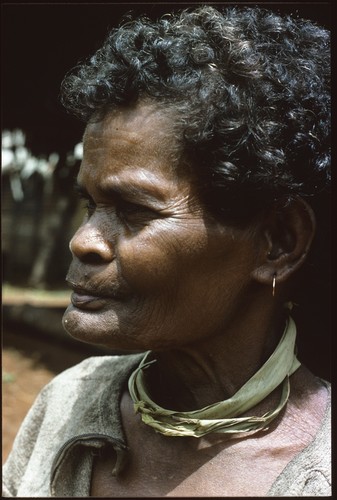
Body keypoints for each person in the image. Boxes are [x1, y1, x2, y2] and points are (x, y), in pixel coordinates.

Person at [2, 5, 331, 497]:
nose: (82, 240)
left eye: (134, 210)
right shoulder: (66, 404)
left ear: (277, 242)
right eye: (90, 204)